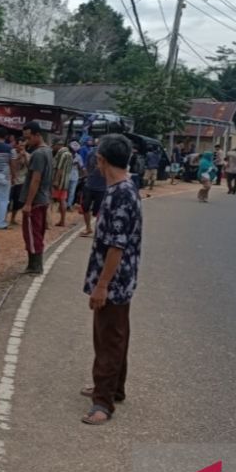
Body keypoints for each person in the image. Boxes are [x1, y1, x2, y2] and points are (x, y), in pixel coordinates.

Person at [80, 134, 143, 425]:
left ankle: (103, 402)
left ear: (101, 160)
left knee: (109, 339)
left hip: (114, 280)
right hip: (119, 278)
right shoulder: (123, 187)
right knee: (115, 334)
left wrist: (102, 285)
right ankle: (114, 388)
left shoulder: (121, 193)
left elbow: (116, 246)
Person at [20, 122, 54, 274]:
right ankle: (34, 264)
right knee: (37, 232)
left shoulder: (39, 154)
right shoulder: (46, 151)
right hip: (43, 198)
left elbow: (36, 179)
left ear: (37, 135)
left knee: (32, 233)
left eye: (28, 137)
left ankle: (35, 265)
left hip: (35, 200)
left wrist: (28, 203)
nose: (27, 141)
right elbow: (33, 170)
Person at [80, 142, 107, 237]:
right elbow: (86, 166)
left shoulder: (108, 156)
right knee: (85, 207)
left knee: (98, 211)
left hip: (102, 187)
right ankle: (88, 228)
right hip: (90, 185)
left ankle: (98, 230)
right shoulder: (91, 153)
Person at [51, 138, 72, 227]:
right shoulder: (70, 154)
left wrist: (56, 180)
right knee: (62, 199)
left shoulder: (62, 154)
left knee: (52, 199)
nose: (53, 148)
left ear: (58, 145)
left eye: (54, 146)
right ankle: (62, 220)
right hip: (66, 180)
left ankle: (49, 221)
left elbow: (59, 168)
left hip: (59, 181)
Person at [8, 137, 30, 226]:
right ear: (16, 144)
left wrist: (24, 156)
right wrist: (18, 158)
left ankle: (13, 218)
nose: (21, 147)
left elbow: (30, 167)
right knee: (8, 200)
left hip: (21, 180)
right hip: (11, 180)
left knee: (17, 201)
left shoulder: (28, 155)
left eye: (23, 145)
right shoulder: (12, 153)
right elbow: (13, 166)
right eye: (20, 145)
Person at [67, 141, 82, 211]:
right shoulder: (66, 155)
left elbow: (81, 167)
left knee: (72, 192)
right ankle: (62, 204)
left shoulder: (79, 157)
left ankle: (69, 205)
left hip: (74, 175)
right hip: (66, 175)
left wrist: (78, 164)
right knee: (65, 191)